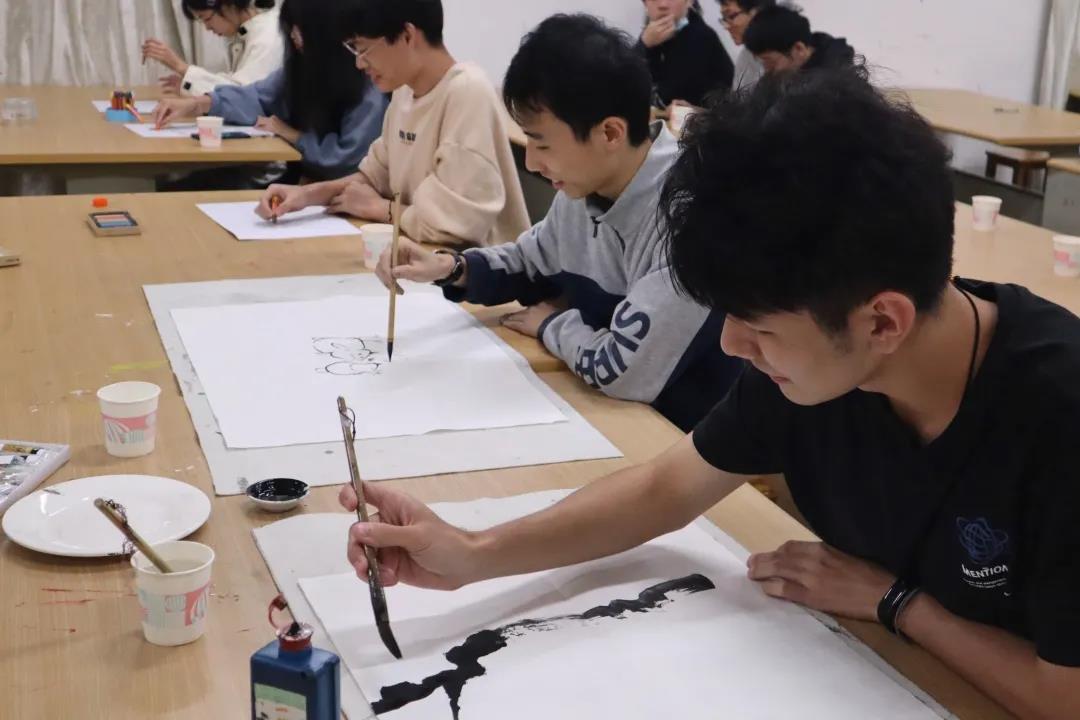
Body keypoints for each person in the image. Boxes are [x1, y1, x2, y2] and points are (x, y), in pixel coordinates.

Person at [341, 68, 1080, 719]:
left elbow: (1065, 695)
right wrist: (472, 552)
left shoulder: (1056, 412)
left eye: (757, 327)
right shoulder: (818, 366)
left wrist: (897, 604)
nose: (731, 347)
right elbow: (666, 489)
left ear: (883, 322)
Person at [372, 14, 743, 431]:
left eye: (542, 144)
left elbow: (623, 372)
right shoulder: (586, 187)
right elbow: (531, 262)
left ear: (610, 133)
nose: (531, 162)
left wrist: (551, 325)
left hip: (682, 434)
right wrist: (450, 267)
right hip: (606, 413)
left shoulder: (688, 216)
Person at [255, 0, 529, 248]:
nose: (360, 63)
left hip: (475, 269)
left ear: (407, 35)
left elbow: (454, 226)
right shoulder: (404, 93)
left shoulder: (467, 91)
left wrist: (379, 209)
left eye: (363, 49)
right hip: (419, 254)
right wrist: (305, 196)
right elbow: (374, 177)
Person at [152, 0, 388, 183]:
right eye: (292, 30)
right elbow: (255, 95)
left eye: (300, 30)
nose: (294, 39)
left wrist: (293, 136)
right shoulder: (304, 67)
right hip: (302, 179)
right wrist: (199, 103)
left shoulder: (369, 82)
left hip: (338, 189)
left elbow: (346, 160)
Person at [143, 0, 284, 97]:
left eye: (206, 18)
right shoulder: (250, 32)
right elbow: (234, 83)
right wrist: (188, 84)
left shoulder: (268, 35)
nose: (207, 28)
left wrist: (180, 67)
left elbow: (245, 96)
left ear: (228, 5)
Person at [638, 0, 733, 108]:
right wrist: (644, 44)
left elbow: (667, 99)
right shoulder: (650, 35)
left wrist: (644, 46)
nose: (663, 5)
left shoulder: (700, 37)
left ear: (689, 2)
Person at [743, 4, 854, 74]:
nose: (766, 71)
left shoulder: (839, 86)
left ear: (799, 49)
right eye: (762, 62)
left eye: (769, 62)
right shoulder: (780, 77)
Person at [716, 0, 773, 90]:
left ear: (756, 13)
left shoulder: (787, 52)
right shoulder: (745, 57)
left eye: (731, 16)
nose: (726, 27)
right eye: (724, 19)